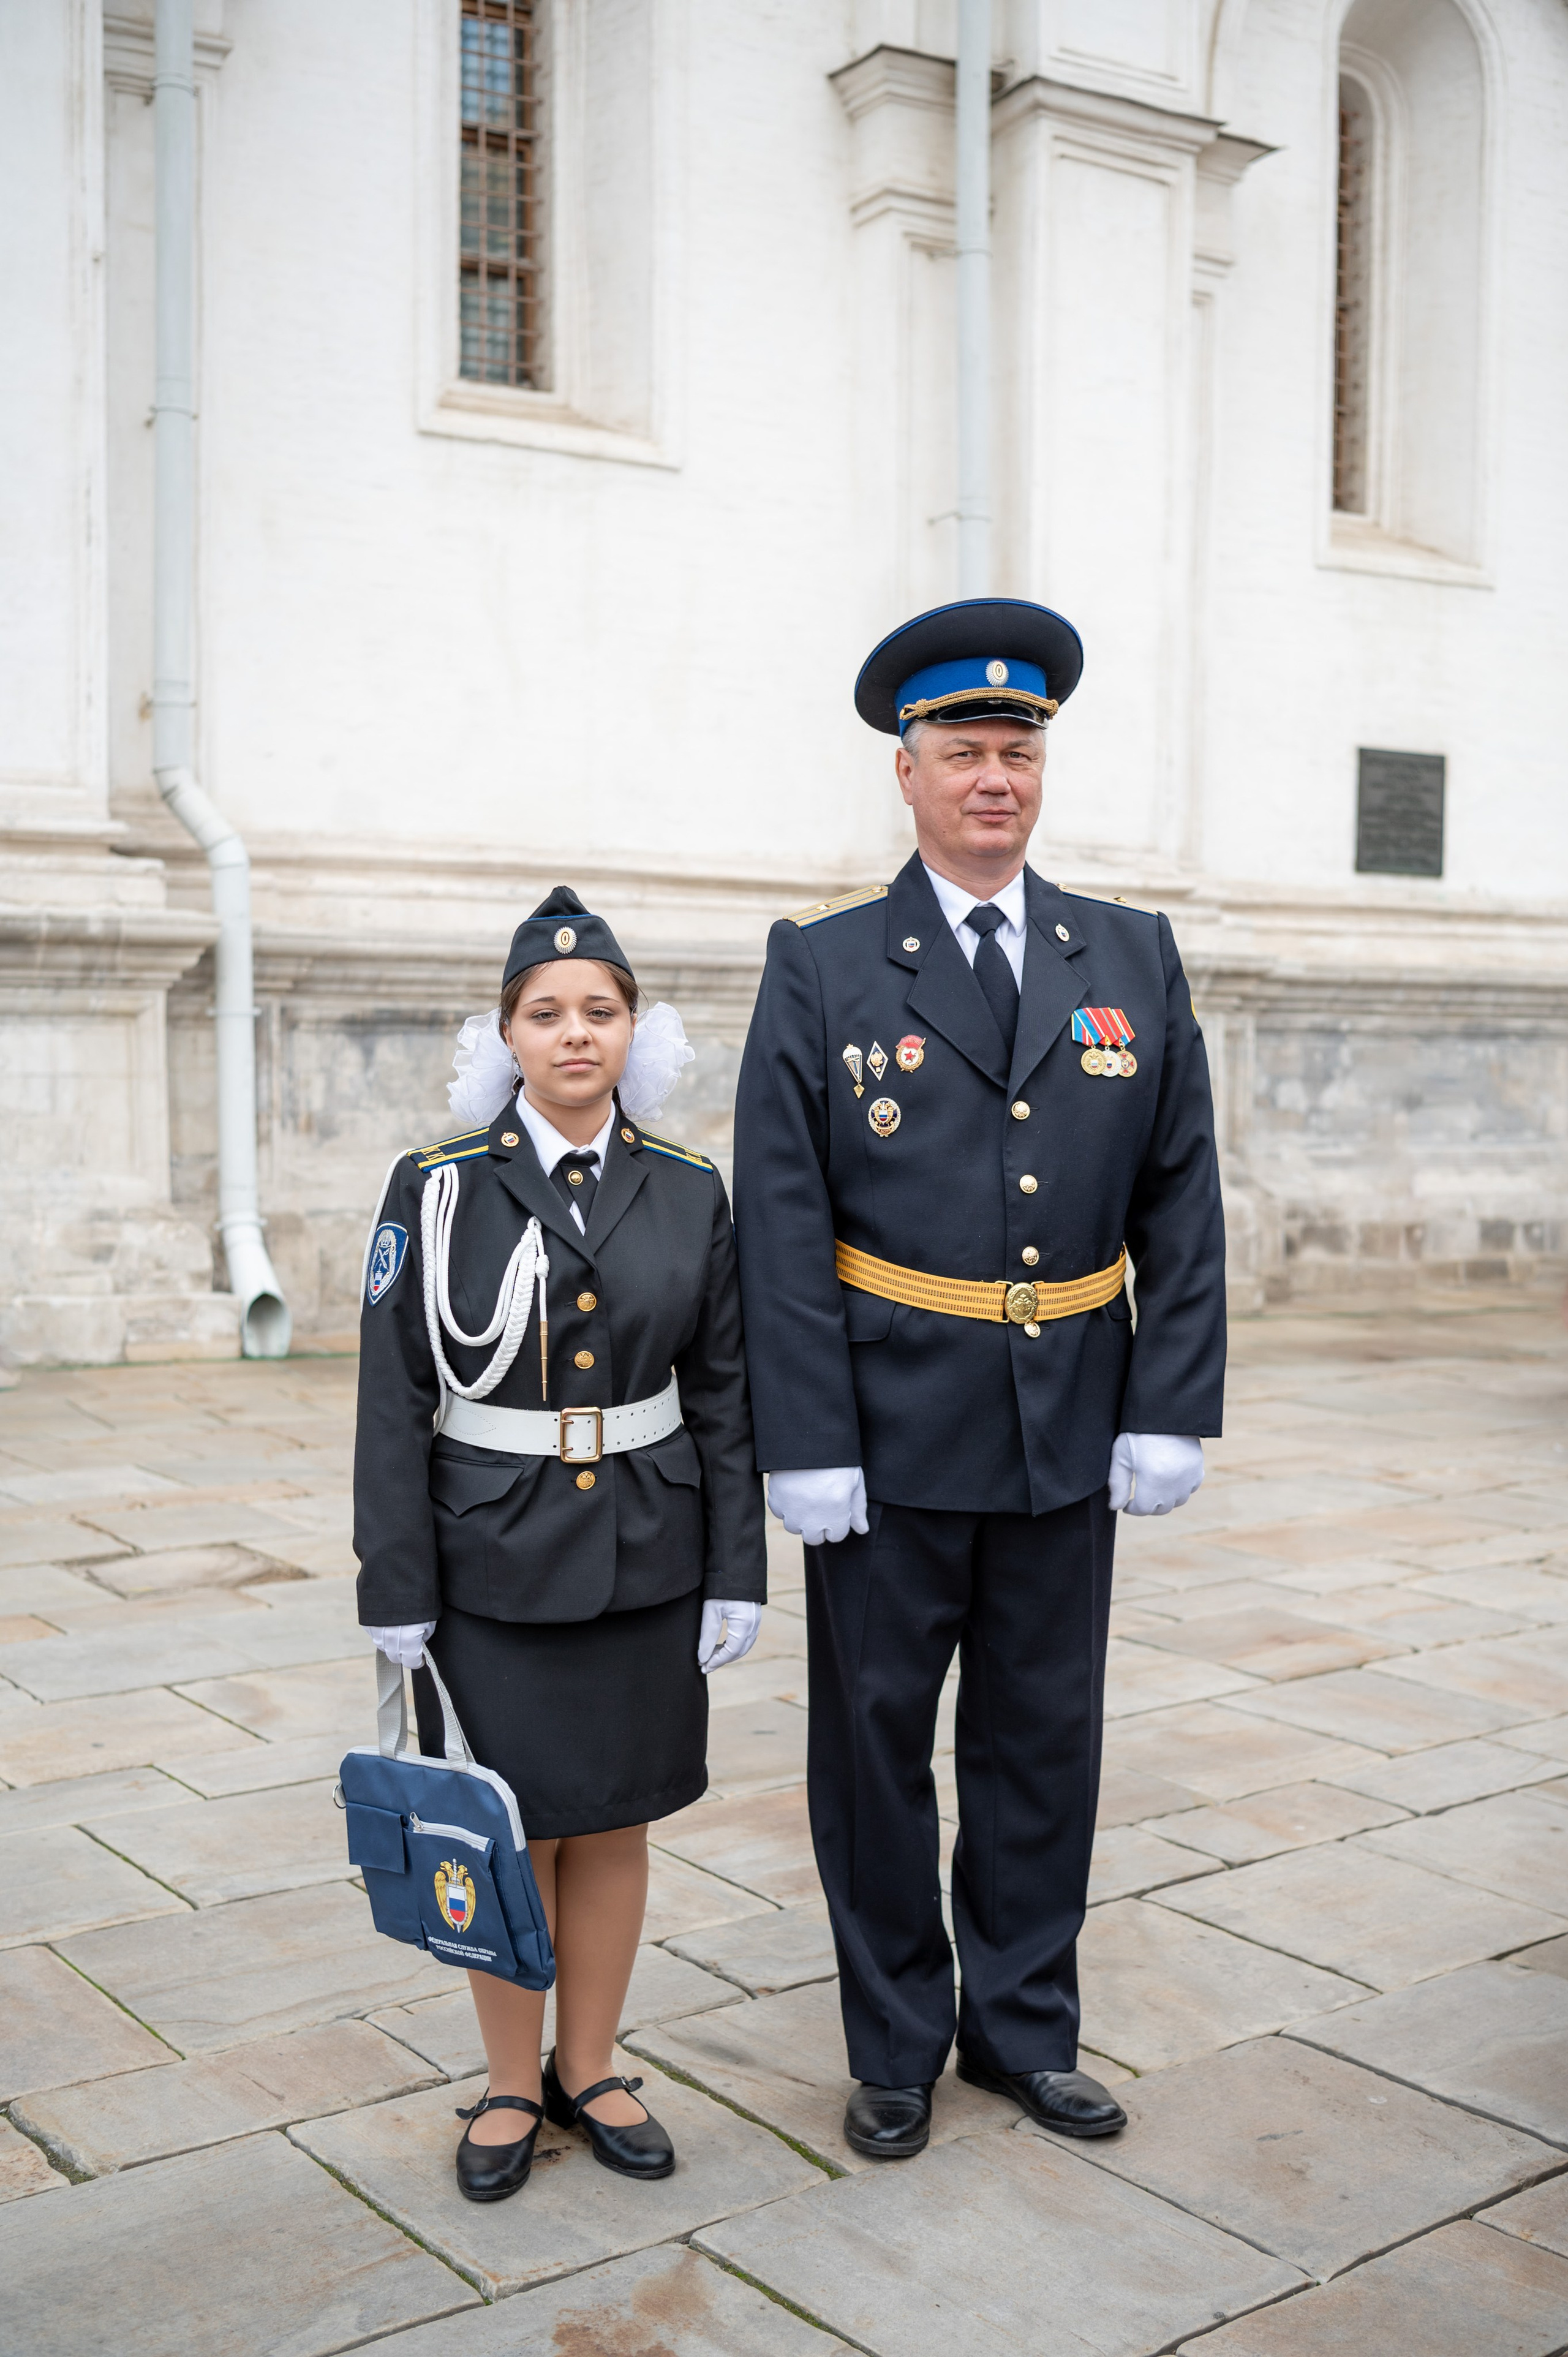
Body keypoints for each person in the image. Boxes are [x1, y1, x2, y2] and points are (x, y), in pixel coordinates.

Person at [733, 599, 1226, 2160]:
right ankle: (893, 2041)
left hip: (1064, 1425)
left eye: (1017, 749)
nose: (993, 776)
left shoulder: (1128, 954)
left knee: (1040, 1740)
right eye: (963, 749)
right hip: (885, 1432)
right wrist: (800, 1438)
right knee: (875, 1751)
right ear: (907, 769)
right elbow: (783, 1217)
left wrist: (1168, 1397)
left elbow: (1181, 1194)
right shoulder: (820, 966)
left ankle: (1023, 2028)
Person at [355, 888, 767, 2201]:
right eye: (546, 1013)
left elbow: (724, 1392)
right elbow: (392, 1397)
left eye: (599, 1011)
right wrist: (395, 1581)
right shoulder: (438, 1189)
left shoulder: (692, 1189)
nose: (573, 1032)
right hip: (493, 1562)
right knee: (506, 1832)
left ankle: (590, 2065)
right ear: (507, 1036)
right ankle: (504, 2077)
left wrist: (737, 1566)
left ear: (634, 1033)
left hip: (648, 1548)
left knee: (616, 1821)